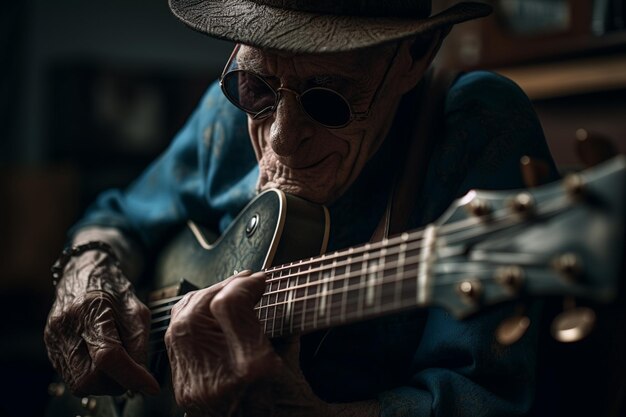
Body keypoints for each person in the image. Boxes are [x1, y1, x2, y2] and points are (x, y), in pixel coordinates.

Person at [44, 1, 560, 416]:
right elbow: (119, 216)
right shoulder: (227, 112)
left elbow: (489, 397)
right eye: (257, 88)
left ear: (415, 54)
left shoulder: (475, 123)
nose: (282, 138)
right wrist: (87, 270)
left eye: (328, 99)